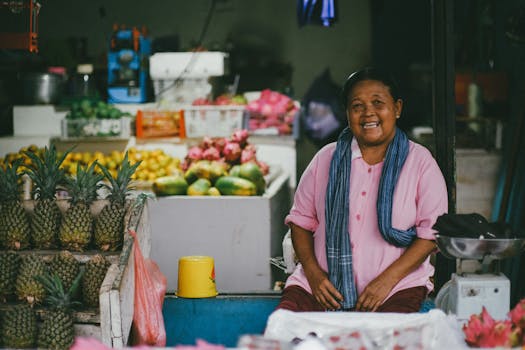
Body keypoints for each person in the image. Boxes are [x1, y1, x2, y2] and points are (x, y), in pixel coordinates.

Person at [276, 67, 448, 313]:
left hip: (396, 287)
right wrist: (314, 275)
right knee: (287, 329)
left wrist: (386, 281)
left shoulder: (420, 162)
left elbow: (431, 234)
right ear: (347, 114)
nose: (368, 113)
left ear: (397, 108)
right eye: (357, 106)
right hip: (322, 286)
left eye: (378, 103)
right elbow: (300, 222)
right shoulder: (325, 159)